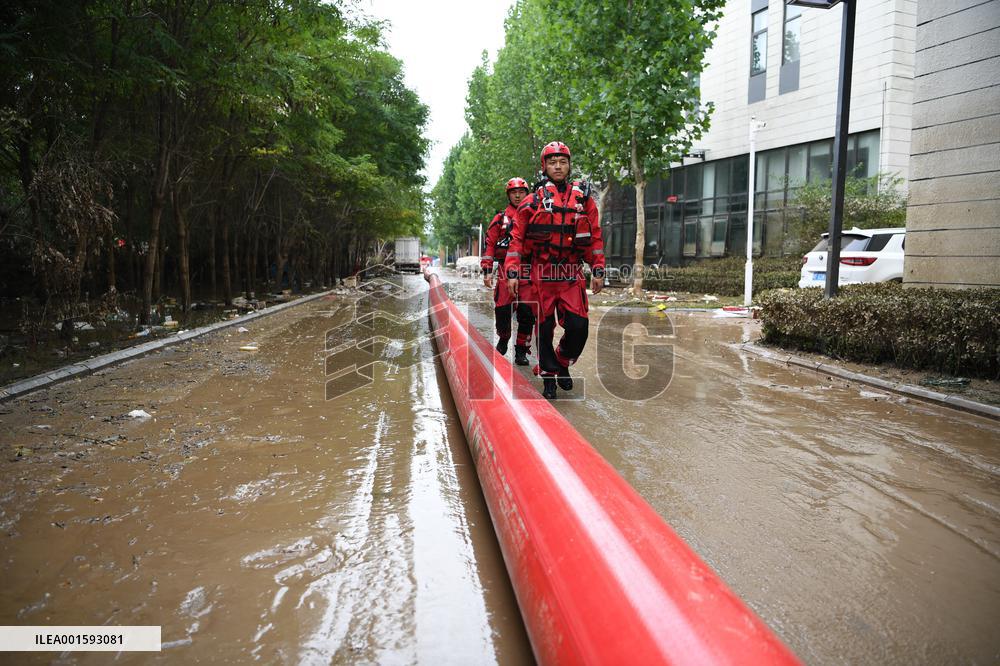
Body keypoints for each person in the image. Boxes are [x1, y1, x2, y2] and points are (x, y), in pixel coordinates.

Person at [504, 141, 604, 399]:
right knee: (544, 328)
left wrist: (599, 268)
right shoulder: (531, 202)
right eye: (552, 162)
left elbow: (594, 237)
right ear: (544, 167)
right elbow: (516, 239)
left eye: (562, 162)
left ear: (569, 165)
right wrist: (513, 272)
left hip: (571, 274)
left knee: (579, 327)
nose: (558, 166)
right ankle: (549, 377)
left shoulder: (584, 199)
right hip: (542, 273)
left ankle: (561, 361)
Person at [481, 177, 537, 364]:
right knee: (503, 308)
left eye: (521, 192)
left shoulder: (536, 214)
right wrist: (487, 270)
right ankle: (504, 337)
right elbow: (490, 244)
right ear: (508, 195)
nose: (518, 195)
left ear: (527, 193)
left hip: (529, 268)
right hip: (507, 267)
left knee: (527, 311)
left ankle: (521, 350)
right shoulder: (500, 218)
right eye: (514, 192)